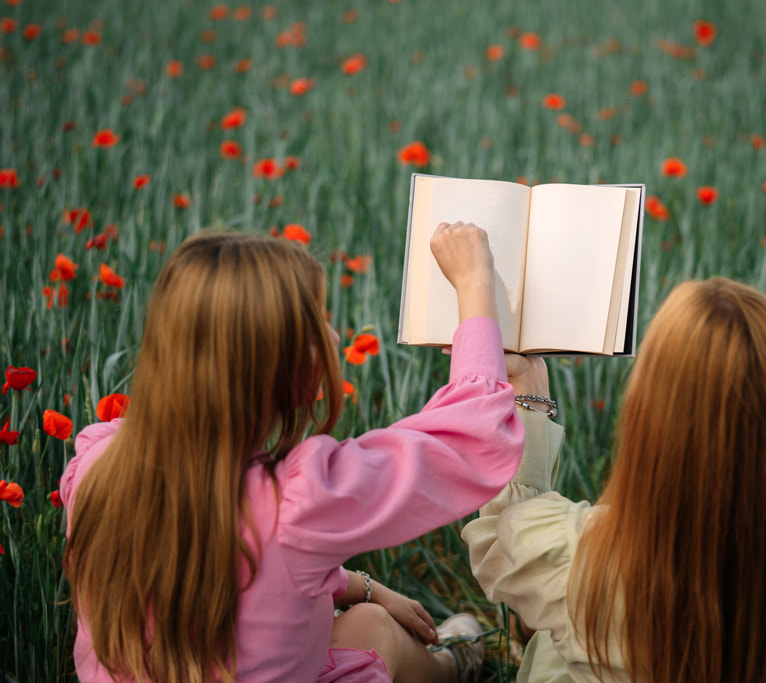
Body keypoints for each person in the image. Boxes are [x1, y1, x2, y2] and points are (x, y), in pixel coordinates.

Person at [61, 223, 522, 683]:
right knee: (374, 632)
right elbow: (473, 438)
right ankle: (452, 666)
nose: (334, 337)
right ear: (269, 363)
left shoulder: (97, 465)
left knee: (369, 619)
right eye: (317, 325)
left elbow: (230, 562)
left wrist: (365, 588)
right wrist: (474, 283)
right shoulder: (297, 503)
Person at [464, 277, 766, 682]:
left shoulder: (587, 561)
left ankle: (464, 647)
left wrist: (530, 398)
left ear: (647, 411)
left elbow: (501, 536)